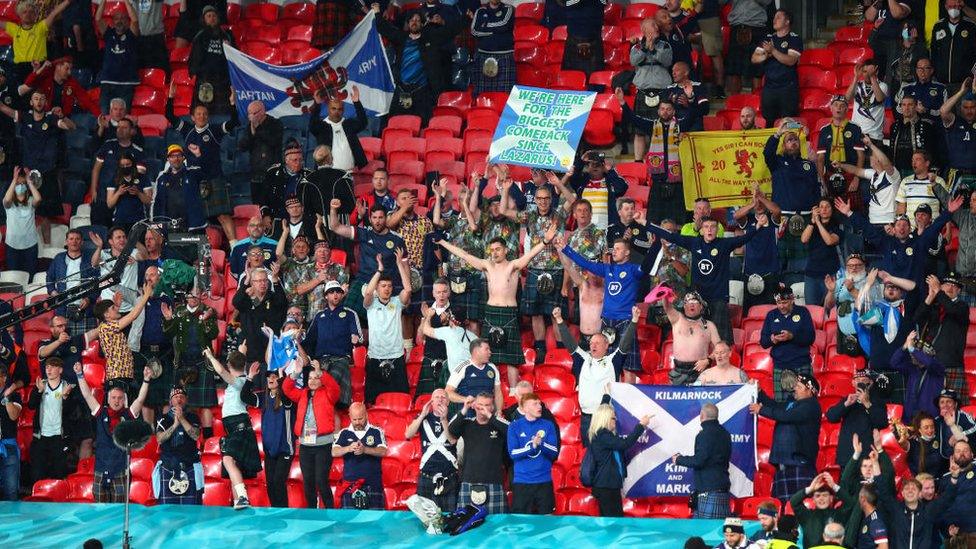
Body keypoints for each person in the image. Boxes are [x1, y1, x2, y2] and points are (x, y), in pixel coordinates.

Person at [436, 225, 555, 388]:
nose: (495, 253)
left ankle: (513, 392)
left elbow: (530, 255)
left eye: (498, 249)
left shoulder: (513, 266)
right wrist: (442, 242)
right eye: (492, 250)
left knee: (511, 359)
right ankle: (488, 390)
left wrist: (545, 241)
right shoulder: (487, 266)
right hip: (491, 312)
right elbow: (463, 254)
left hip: (508, 312)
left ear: (505, 250)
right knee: (487, 355)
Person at [645, 211, 764, 342]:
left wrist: (758, 226)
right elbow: (670, 236)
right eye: (706, 226)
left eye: (713, 227)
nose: (709, 230)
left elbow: (744, 238)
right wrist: (644, 223)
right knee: (697, 339)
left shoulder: (724, 244)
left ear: (717, 229)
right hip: (697, 299)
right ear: (701, 230)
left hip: (718, 298)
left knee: (721, 340)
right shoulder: (694, 243)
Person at [498, 178, 573, 363]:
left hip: (555, 269)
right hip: (534, 269)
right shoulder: (530, 215)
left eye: (546, 198)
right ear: (536, 200)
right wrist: (506, 190)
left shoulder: (559, 214)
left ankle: (561, 352)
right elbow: (503, 211)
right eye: (539, 198)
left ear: (550, 199)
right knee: (536, 313)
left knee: (556, 313)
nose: (543, 202)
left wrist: (559, 184)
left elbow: (572, 201)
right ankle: (540, 350)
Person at [559, 234, 644, 378]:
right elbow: (585, 263)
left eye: (618, 249)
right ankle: (609, 398)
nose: (614, 251)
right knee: (608, 365)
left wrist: (656, 246)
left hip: (626, 320)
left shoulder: (634, 270)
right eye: (613, 249)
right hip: (607, 322)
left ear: (627, 252)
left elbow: (649, 265)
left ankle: (627, 400)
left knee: (628, 367)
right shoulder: (607, 270)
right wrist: (565, 248)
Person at [164, 87, 239, 243]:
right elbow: (169, 115)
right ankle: (197, 250)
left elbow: (234, 122)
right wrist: (170, 97)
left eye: (205, 114)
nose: (202, 116)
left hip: (214, 178)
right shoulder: (187, 130)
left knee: (223, 215)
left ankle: (235, 248)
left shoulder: (215, 130)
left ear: (208, 117)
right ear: (192, 117)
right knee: (194, 217)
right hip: (194, 181)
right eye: (198, 114)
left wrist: (232, 103)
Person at [0, 91, 76, 243]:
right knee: (26, 209)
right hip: (28, 174)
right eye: (36, 98)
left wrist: (62, 116)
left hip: (47, 173)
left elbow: (71, 127)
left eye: (42, 98)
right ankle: (25, 242)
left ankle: (47, 246)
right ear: (31, 102)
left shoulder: (51, 119)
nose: (39, 101)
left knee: (46, 213)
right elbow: (4, 108)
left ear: (46, 102)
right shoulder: (25, 117)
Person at [74, 361, 154, 503]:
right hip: (100, 471)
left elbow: (141, 399)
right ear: (108, 399)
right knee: (100, 512)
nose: (117, 401)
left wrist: (146, 380)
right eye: (114, 398)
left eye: (120, 398)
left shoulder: (128, 415)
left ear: (124, 400)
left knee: (119, 512)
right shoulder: (100, 413)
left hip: (120, 471)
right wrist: (80, 375)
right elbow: (87, 395)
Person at [553, 305, 635, 440]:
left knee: (604, 456)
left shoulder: (612, 361)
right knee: (588, 454)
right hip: (586, 417)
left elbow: (625, 344)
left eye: (597, 343)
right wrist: (559, 320)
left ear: (606, 345)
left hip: (605, 417)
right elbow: (569, 343)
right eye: (591, 343)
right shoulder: (583, 359)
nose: (593, 345)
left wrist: (634, 321)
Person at [375, 4, 460, 121]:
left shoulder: (430, 38)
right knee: (395, 123)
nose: (414, 22)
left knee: (422, 125)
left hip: (422, 92)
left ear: (422, 24)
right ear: (408, 23)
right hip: (402, 89)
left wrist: (466, 19)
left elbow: (450, 31)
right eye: (412, 20)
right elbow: (385, 29)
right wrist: (377, 13)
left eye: (418, 20)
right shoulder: (401, 38)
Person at [749, 373, 822, 503]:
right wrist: (759, 392)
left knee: (800, 508)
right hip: (786, 464)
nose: (795, 389)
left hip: (799, 464)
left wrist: (761, 410)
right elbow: (775, 407)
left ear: (810, 391)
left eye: (799, 387)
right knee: (782, 511)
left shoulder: (811, 406)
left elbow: (785, 416)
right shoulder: (793, 404)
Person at [328, 199, 406, 320]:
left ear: (386, 218)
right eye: (374, 218)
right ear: (370, 219)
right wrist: (333, 209)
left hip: (386, 285)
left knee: (383, 321)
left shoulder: (397, 240)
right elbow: (335, 227)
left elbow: (404, 265)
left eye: (380, 217)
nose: (377, 221)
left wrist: (406, 289)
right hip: (363, 281)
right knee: (347, 314)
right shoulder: (364, 234)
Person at [203, 349, 261, 510]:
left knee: (228, 460)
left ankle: (242, 497)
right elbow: (233, 365)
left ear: (229, 365)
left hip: (239, 427)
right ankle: (238, 502)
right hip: (236, 428)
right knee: (233, 464)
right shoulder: (241, 381)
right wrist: (241, 351)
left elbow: (220, 370)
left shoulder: (238, 382)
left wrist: (210, 356)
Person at [283, 362, 341, 509]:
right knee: (308, 482)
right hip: (305, 446)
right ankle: (312, 513)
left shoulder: (328, 393)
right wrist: (295, 374)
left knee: (321, 480)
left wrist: (321, 372)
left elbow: (335, 388)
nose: (313, 381)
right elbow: (286, 389)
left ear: (321, 380)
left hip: (323, 445)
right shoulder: (303, 394)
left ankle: (330, 511)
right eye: (310, 378)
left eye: (316, 378)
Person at [163, 288, 219, 438]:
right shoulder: (179, 311)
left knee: (205, 405)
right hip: (181, 363)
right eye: (190, 295)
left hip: (202, 363)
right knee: (185, 403)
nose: (193, 297)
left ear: (201, 295)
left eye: (196, 294)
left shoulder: (209, 311)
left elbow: (214, 334)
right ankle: (188, 438)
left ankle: (207, 441)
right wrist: (168, 319)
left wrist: (206, 320)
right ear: (186, 296)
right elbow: (168, 334)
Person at [362, 250, 413, 404]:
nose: (387, 289)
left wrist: (399, 264)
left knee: (401, 399)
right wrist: (379, 271)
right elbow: (369, 292)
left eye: (389, 286)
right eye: (383, 286)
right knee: (372, 402)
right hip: (376, 356)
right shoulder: (370, 304)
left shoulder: (397, 303)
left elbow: (408, 290)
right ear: (378, 288)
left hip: (396, 356)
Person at [94, 278, 157, 399]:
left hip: (123, 375)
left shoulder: (106, 325)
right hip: (118, 376)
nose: (117, 309)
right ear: (106, 315)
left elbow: (117, 318)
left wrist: (116, 307)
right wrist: (146, 295)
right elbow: (133, 315)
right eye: (112, 308)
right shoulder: (107, 327)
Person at [302, 281, 361, 409]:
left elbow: (358, 336)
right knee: (316, 385)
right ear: (326, 296)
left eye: (338, 292)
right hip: (321, 360)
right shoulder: (319, 316)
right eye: (331, 292)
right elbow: (309, 340)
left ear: (342, 295)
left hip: (341, 358)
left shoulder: (350, 314)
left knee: (330, 380)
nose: (335, 294)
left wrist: (355, 337)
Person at [448, 392, 510, 514]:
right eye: (480, 405)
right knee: (466, 524)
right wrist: (465, 408)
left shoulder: (498, 424)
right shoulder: (467, 424)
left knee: (496, 525)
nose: (483, 408)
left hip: (494, 481)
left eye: (487, 405)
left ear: (492, 407)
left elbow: (511, 431)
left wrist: (490, 416)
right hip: (469, 481)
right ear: (475, 406)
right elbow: (452, 429)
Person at [587, 403, 650, 517]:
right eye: (613, 418)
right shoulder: (602, 435)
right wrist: (641, 426)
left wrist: (606, 396)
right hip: (606, 486)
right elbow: (625, 444)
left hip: (610, 485)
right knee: (612, 523)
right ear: (605, 418)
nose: (615, 420)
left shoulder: (605, 435)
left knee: (614, 522)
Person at [672, 403, 732, 519]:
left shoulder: (703, 435)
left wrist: (679, 459)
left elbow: (699, 460)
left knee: (705, 532)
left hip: (708, 489)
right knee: (718, 532)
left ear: (701, 416)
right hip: (722, 487)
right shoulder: (726, 434)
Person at [915, 273, 968, 402]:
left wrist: (938, 291)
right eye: (946, 284)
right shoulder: (935, 307)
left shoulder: (962, 306)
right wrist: (931, 296)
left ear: (959, 291)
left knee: (955, 408)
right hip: (932, 364)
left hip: (952, 366)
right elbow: (917, 318)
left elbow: (951, 309)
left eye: (954, 286)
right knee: (930, 407)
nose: (950, 288)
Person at [233, 267, 289, 389]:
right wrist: (245, 282)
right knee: (251, 390)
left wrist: (275, 280)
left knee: (270, 391)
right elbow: (236, 302)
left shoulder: (273, 297)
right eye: (258, 281)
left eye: (265, 280)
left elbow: (283, 303)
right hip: (251, 352)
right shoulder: (246, 299)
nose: (262, 283)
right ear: (252, 283)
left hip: (269, 353)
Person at [405, 388, 459, 512]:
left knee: (449, 517)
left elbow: (453, 440)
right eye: (437, 397)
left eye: (443, 397)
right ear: (431, 402)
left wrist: (444, 419)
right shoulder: (423, 417)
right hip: (427, 475)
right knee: (425, 517)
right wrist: (422, 414)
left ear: (448, 402)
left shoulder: (455, 418)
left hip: (449, 475)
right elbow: (408, 434)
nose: (440, 399)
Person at [507, 392, 560, 514]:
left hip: (544, 482)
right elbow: (513, 453)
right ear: (525, 408)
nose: (539, 406)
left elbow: (554, 451)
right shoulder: (514, 426)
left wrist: (541, 444)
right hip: (522, 483)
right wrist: (532, 446)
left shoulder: (548, 425)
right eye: (535, 404)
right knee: (521, 523)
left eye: (539, 404)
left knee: (547, 520)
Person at [628, 18, 673, 158]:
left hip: (662, 92)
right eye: (653, 25)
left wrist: (653, 48)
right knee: (639, 130)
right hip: (643, 92)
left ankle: (662, 158)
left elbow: (667, 61)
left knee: (662, 128)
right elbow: (634, 61)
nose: (657, 26)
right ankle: (637, 161)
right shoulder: (636, 47)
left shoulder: (665, 45)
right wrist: (645, 47)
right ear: (644, 30)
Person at [827, 367, 890, 466]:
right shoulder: (848, 400)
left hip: (868, 457)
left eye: (864, 380)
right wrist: (846, 404)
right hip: (847, 456)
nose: (860, 383)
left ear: (870, 383)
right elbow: (831, 417)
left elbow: (882, 423)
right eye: (857, 381)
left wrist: (867, 403)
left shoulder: (877, 402)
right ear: (853, 383)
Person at [750, 9, 802, 125]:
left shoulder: (794, 38)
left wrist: (772, 51)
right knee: (768, 122)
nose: (774, 20)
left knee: (788, 123)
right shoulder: (768, 38)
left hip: (787, 89)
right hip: (769, 88)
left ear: (787, 21)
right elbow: (754, 58)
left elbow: (791, 60)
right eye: (774, 17)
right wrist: (766, 55)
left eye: (778, 17)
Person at [333, 402, 388, 509]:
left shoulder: (376, 431)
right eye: (354, 419)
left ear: (366, 415)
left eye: (360, 418)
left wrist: (365, 449)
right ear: (349, 417)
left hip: (373, 485)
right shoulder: (344, 433)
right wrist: (348, 448)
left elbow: (383, 451)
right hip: (350, 485)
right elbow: (334, 452)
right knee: (349, 524)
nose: (358, 422)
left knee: (374, 523)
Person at [153, 386, 203, 505]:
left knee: (192, 510)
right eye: (175, 397)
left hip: (189, 465)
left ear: (186, 400)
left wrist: (182, 419)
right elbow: (159, 439)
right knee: (167, 511)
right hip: (168, 467)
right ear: (171, 401)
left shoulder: (193, 417)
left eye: (182, 397)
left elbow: (195, 436)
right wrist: (175, 425)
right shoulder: (163, 418)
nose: (179, 399)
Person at [833, 138, 899, 226]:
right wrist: (841, 165)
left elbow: (886, 164)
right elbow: (856, 171)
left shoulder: (892, 175)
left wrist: (871, 145)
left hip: (887, 223)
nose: (870, 157)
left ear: (879, 159)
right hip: (873, 220)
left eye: (872, 155)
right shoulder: (873, 175)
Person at [27, 357, 74, 482]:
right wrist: (39, 391)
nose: (49, 369)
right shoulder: (40, 385)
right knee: (37, 476)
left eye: (53, 366)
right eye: (47, 366)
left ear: (60, 370)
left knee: (59, 475)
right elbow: (31, 405)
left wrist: (65, 397)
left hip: (59, 437)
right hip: (40, 437)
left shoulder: (67, 388)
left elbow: (72, 413)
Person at [0, 0, 71, 81]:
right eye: (25, 12)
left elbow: (54, 13)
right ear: (20, 15)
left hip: (39, 68)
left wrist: (68, 1)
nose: (28, 14)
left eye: (31, 12)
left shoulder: (41, 27)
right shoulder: (14, 29)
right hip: (19, 70)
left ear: (35, 15)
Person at [662, 291, 721, 386]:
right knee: (677, 399)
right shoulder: (677, 319)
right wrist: (664, 292)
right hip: (678, 371)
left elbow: (719, 348)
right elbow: (667, 307)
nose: (692, 304)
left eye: (695, 302)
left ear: (701, 306)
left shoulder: (709, 325)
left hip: (700, 370)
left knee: (700, 400)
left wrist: (708, 360)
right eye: (689, 302)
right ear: (684, 306)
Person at [889, 331, 945, 424]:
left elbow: (929, 363)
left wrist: (912, 349)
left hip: (929, 418)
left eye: (917, 352)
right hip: (911, 417)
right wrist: (905, 346)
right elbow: (894, 363)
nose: (913, 356)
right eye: (912, 354)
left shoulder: (937, 369)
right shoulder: (913, 369)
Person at [95, 0, 140, 115]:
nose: (119, 21)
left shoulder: (131, 35)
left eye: (123, 18)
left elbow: (135, 20)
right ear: (113, 21)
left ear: (127, 21)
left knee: (123, 119)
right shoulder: (109, 33)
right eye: (116, 18)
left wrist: (126, 2)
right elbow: (98, 19)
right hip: (107, 82)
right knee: (105, 116)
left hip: (126, 84)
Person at [308, 86, 368, 173]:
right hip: (328, 173)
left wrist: (357, 102)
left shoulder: (349, 124)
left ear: (343, 110)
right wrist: (317, 104)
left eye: (340, 109)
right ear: (328, 109)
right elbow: (312, 126)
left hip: (350, 173)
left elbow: (363, 123)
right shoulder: (322, 126)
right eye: (333, 108)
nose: (337, 111)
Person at [257, 369, 294, 508]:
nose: (271, 379)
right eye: (269, 377)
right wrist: (249, 378)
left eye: (274, 376)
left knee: (278, 481)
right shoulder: (264, 399)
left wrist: (282, 375)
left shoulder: (287, 399)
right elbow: (245, 397)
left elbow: (284, 394)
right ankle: (275, 513)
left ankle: (283, 512)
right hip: (269, 450)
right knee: (271, 484)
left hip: (285, 448)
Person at [188, 5, 235, 115]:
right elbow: (194, 57)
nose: (212, 18)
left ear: (218, 18)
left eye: (214, 16)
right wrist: (194, 72)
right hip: (205, 79)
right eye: (208, 16)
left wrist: (230, 48)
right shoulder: (199, 37)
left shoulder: (227, 36)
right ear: (204, 19)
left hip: (223, 79)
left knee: (223, 114)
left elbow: (236, 55)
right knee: (203, 112)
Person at [149, 144, 207, 232]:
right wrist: (154, 224)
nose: (176, 159)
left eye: (179, 155)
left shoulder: (192, 173)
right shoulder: (162, 177)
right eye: (172, 156)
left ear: (183, 158)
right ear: (168, 159)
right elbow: (156, 201)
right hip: (169, 225)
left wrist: (198, 155)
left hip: (193, 224)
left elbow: (206, 171)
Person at [790, 472, 854, 549]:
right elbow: (794, 501)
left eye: (825, 495)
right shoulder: (806, 516)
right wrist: (810, 489)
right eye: (817, 496)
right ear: (813, 500)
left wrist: (834, 486)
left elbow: (850, 503)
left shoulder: (838, 514)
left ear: (831, 498)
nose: (821, 498)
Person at [444, 338, 504, 419]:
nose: (490, 352)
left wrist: (499, 410)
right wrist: (466, 399)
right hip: (467, 417)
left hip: (488, 416)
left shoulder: (492, 367)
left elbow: (498, 393)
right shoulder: (463, 367)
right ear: (476, 351)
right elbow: (448, 392)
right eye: (486, 349)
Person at [238, 100, 283, 203]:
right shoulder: (249, 127)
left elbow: (273, 141)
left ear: (263, 111)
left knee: (271, 202)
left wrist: (258, 128)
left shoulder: (275, 123)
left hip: (271, 170)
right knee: (257, 204)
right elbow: (242, 146)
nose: (252, 116)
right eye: (249, 113)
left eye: (254, 113)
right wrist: (252, 133)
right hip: (255, 172)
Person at [469, 0, 515, 97]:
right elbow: (474, 31)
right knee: (482, 95)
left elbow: (504, 25)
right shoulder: (480, 11)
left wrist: (484, 25)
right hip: (483, 55)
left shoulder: (508, 9)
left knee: (504, 96)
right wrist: (494, 31)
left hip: (505, 56)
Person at [724, 0, 768, 96]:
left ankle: (756, 103)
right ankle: (734, 104)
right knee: (734, 70)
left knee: (757, 70)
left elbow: (767, 2)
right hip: (736, 27)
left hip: (756, 27)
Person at [939, 77, 976, 191]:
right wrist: (962, 92)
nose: (969, 111)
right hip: (956, 175)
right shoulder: (954, 122)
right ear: (960, 108)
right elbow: (943, 111)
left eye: (973, 107)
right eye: (965, 107)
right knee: (953, 208)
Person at [931, 1, 976, 93]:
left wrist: (972, 75)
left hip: (964, 82)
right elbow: (934, 51)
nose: (953, 9)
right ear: (946, 6)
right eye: (950, 6)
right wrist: (936, 73)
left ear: (960, 6)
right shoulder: (938, 26)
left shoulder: (970, 25)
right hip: (941, 82)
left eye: (955, 6)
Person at [3, 167, 41, 273]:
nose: (20, 186)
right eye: (18, 184)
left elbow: (38, 199)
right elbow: (6, 200)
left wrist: (29, 182)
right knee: (14, 276)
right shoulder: (9, 204)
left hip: (30, 245)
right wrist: (14, 180)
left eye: (22, 184)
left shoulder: (31, 202)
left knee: (31, 275)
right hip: (12, 245)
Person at [889, 95, 939, 175]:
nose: (906, 108)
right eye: (904, 105)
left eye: (910, 105)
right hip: (897, 170)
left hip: (918, 170)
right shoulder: (895, 126)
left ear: (916, 107)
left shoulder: (926, 125)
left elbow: (932, 149)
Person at [895, 152, 949, 224]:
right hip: (911, 229)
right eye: (912, 160)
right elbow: (901, 206)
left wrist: (948, 229)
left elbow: (946, 206)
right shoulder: (906, 181)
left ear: (927, 163)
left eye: (917, 159)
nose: (914, 163)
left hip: (932, 229)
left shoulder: (938, 181)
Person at [894, 411, 947, 476]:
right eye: (926, 427)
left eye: (932, 427)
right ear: (919, 429)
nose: (930, 430)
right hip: (920, 483)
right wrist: (899, 432)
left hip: (940, 481)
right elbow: (902, 443)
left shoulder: (940, 439)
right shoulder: (913, 443)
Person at [895, 58, 946, 123]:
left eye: (926, 68)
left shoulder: (941, 88)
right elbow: (898, 110)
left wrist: (926, 111)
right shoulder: (907, 88)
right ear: (916, 70)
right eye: (919, 68)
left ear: (931, 70)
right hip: (911, 125)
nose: (922, 71)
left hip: (933, 126)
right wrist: (912, 110)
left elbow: (945, 112)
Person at [933, 389, 976, 462]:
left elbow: (974, 429)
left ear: (955, 404)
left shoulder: (964, 416)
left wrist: (960, 434)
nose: (945, 405)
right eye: (942, 402)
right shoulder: (936, 420)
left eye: (949, 402)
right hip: (943, 461)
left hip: (964, 460)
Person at [0, 367, 22, 500]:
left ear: (4, 378)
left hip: (9, 446)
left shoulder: (15, 395)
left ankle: (12, 520)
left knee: (11, 491)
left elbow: (14, 416)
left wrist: (6, 398)